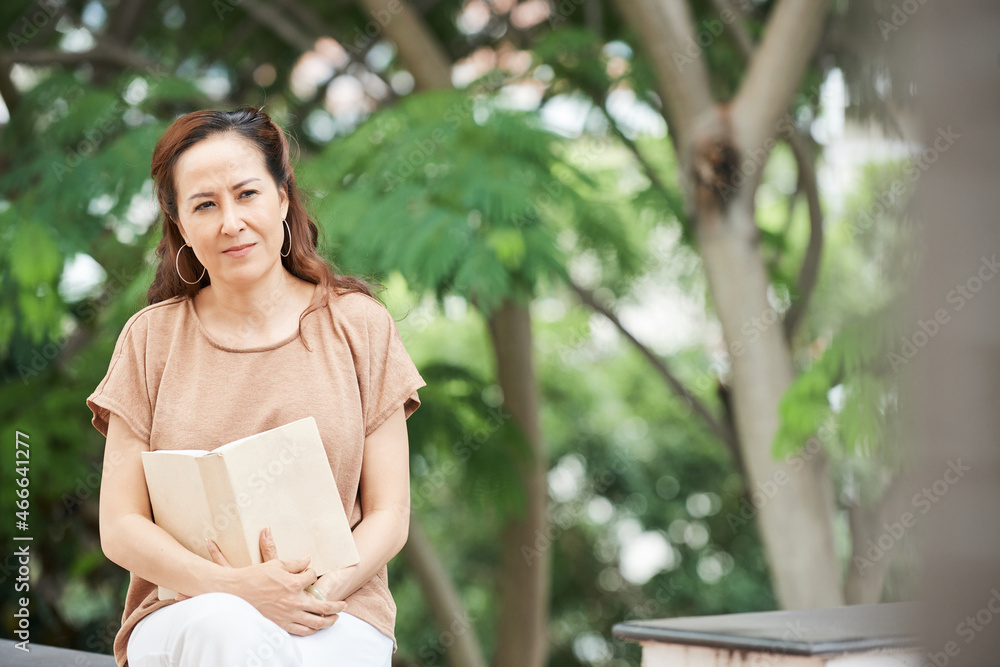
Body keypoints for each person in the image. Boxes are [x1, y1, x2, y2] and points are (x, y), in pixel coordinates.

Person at [86, 107, 425, 667]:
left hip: (334, 611)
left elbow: (389, 515)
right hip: (185, 613)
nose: (231, 222)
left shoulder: (360, 325)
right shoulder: (150, 339)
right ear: (181, 227)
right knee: (230, 630)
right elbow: (120, 528)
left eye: (247, 194)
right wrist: (236, 589)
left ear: (283, 198)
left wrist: (304, 596)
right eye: (205, 205)